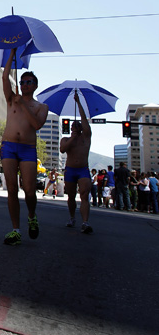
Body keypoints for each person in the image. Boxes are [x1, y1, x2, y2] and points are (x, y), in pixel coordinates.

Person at [0, 51, 49, 246]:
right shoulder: (12, 98)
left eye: (29, 82)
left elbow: (37, 125)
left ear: (35, 86)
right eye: (22, 82)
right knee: (12, 188)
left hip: (28, 149)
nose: (25, 85)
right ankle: (16, 230)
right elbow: (4, 77)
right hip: (8, 146)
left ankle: (31, 215)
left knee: (29, 190)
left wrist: (24, 105)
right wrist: (12, 54)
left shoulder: (41, 106)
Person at [60, 92, 93, 234]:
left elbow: (84, 118)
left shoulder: (86, 137)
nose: (76, 126)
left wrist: (78, 102)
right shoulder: (66, 139)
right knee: (71, 196)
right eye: (73, 125)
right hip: (70, 170)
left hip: (83, 169)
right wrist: (72, 138)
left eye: (78, 125)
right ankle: (72, 217)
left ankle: (85, 222)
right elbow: (62, 150)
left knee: (84, 195)